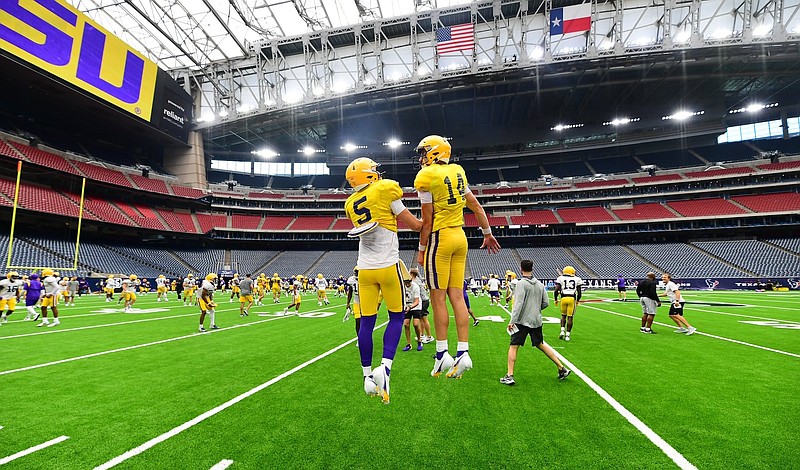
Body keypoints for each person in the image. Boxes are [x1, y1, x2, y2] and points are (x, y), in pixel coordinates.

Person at [415, 135, 501, 379]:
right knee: (457, 297)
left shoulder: (427, 177)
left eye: (424, 152)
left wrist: (421, 251)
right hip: (460, 237)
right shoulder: (458, 172)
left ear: (435, 152)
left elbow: (428, 221)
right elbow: (476, 206)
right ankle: (463, 352)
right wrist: (488, 233)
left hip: (440, 238)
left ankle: (442, 354)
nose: (422, 157)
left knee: (438, 299)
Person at [345, 157, 422, 404]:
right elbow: (414, 225)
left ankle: (367, 376)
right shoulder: (386, 188)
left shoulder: (350, 202)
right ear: (369, 175)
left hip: (364, 270)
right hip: (388, 267)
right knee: (397, 317)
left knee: (366, 324)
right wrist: (429, 221)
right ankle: (385, 368)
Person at [501, 260, 571, 385]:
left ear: (521, 269)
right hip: (536, 320)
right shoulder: (539, 284)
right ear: (532, 268)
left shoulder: (521, 283)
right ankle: (562, 368)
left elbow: (518, 304)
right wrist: (535, 310)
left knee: (513, 346)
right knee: (540, 344)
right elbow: (546, 303)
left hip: (522, 320)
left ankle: (510, 375)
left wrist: (512, 320)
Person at [554, 266, 583, 342]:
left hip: (563, 298)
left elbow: (556, 290)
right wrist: (578, 300)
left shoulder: (560, 278)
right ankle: (567, 335)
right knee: (570, 317)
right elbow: (579, 292)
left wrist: (556, 299)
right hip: (571, 298)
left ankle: (562, 330)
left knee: (563, 316)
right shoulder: (577, 279)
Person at [409, 268, 433, 343]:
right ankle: (422, 334)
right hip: (424, 300)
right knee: (421, 318)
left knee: (424, 319)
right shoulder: (418, 280)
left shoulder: (414, 282)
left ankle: (429, 336)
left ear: (412, 274)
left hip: (423, 301)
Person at [402, 278, 424, 352]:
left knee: (416, 324)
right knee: (406, 324)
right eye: (406, 283)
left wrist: (410, 307)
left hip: (416, 306)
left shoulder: (415, 287)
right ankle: (409, 344)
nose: (407, 285)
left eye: (409, 283)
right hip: (407, 306)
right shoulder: (403, 286)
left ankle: (419, 341)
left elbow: (417, 301)